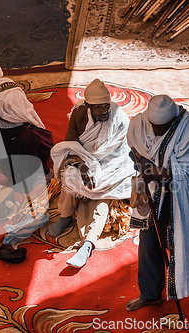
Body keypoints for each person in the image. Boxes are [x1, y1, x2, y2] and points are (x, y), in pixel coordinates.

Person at [125, 94, 189, 311]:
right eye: (155, 126)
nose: (158, 131)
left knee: (176, 237)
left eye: (164, 127)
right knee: (149, 239)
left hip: (178, 191)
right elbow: (134, 147)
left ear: (172, 121)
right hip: (152, 189)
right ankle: (150, 293)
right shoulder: (139, 124)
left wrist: (154, 171)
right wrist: (142, 163)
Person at [48, 78, 136, 268]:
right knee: (70, 175)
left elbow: (121, 153)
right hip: (85, 158)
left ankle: (89, 242)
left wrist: (97, 171)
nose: (104, 111)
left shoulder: (119, 117)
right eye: (98, 108)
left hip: (112, 164)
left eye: (106, 106)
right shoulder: (79, 113)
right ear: (88, 105)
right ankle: (65, 215)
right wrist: (82, 165)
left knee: (100, 192)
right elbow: (70, 145)